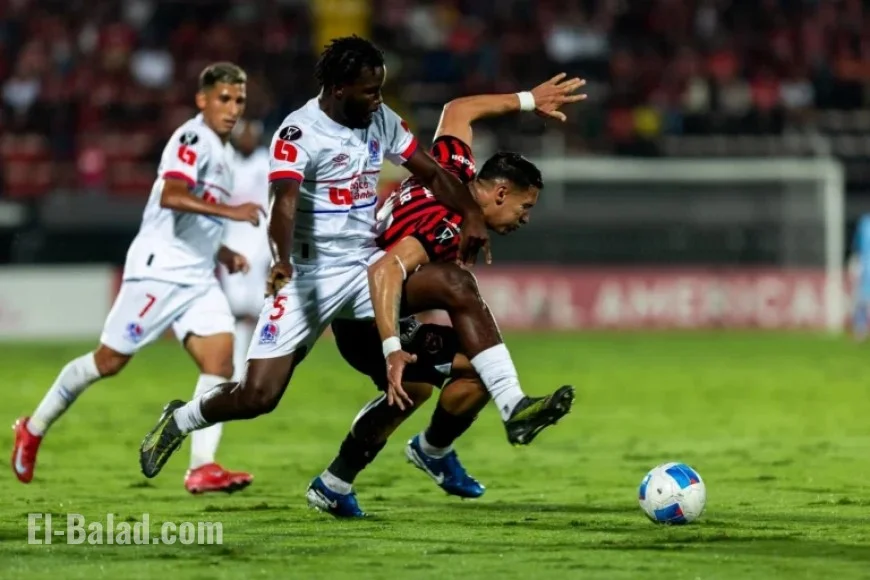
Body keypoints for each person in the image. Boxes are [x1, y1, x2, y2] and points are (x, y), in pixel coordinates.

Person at [138, 36, 492, 479]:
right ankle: (181, 418)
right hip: (307, 275)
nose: (378, 99)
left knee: (447, 289)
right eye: (370, 90)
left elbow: (434, 174)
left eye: (380, 88)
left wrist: (472, 214)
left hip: (365, 267)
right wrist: (280, 260)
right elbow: (283, 202)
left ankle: (474, 384)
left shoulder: (379, 119)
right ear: (340, 88)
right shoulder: (298, 131)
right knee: (257, 397)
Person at [307, 75, 586, 516]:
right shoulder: (443, 224)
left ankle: (363, 473)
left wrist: (529, 100)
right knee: (442, 326)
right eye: (524, 207)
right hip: (365, 313)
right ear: (499, 192)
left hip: (388, 308)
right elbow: (386, 269)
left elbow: (458, 109)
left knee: (472, 372)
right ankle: (500, 412)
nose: (525, 219)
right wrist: (393, 346)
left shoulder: (452, 167)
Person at [11, 63, 262, 494]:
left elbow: (193, 215)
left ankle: (202, 466)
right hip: (159, 270)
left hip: (199, 276)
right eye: (224, 98)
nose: (233, 108)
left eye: (239, 100)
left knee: (221, 362)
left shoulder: (224, 152)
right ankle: (32, 429)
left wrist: (222, 249)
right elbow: (172, 194)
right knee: (108, 362)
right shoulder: (191, 138)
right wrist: (233, 212)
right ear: (202, 100)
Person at [219, 120, 271, 387]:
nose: (247, 139)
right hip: (233, 243)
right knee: (237, 310)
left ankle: (260, 367)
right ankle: (239, 368)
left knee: (260, 310)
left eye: (251, 134)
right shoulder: (227, 163)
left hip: (260, 244)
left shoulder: (266, 161)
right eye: (243, 135)